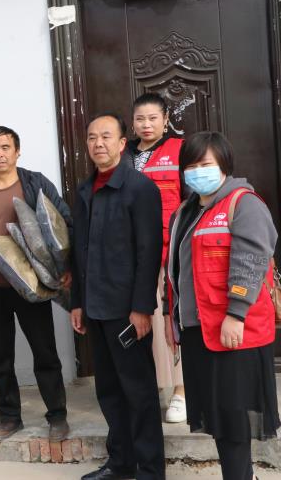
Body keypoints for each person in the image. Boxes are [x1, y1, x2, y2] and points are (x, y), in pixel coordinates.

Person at [165, 131, 279, 480]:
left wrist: (236, 313)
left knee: (232, 419)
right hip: (198, 330)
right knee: (219, 418)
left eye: (205, 164)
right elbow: (179, 271)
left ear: (224, 165)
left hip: (232, 331)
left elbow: (251, 260)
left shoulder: (244, 203)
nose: (197, 172)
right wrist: (174, 319)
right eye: (190, 166)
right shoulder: (185, 211)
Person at [0, 125, 71, 443]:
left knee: (45, 352)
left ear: (17, 152)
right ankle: (10, 418)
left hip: (34, 287)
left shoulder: (35, 183)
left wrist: (66, 267)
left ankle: (57, 416)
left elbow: (63, 221)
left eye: (5, 147)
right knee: (1, 358)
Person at [71, 114, 165, 480]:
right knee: (109, 391)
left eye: (106, 136)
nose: (98, 143)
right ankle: (121, 462)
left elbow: (149, 252)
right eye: (92, 137)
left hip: (126, 311)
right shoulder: (85, 190)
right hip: (95, 308)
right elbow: (79, 252)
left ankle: (150, 470)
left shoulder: (140, 189)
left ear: (122, 143)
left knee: (139, 393)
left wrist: (142, 308)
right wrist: (77, 302)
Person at [125, 93, 186, 424]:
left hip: (168, 252)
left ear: (165, 120)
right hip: (132, 255)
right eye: (140, 119)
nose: (146, 125)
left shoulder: (180, 150)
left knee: (170, 320)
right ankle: (153, 389)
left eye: (152, 118)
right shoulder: (124, 154)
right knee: (139, 322)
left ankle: (181, 391)